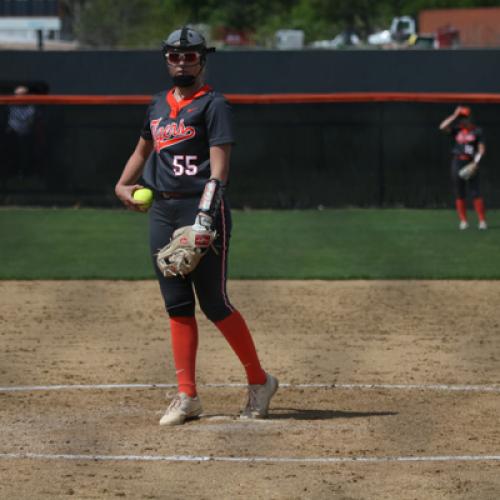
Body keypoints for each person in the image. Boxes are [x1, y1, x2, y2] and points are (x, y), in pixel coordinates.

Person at [115, 27, 278, 426]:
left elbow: (219, 170)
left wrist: (205, 217)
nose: (182, 62)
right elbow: (143, 149)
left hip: (202, 210)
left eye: (190, 56)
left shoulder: (215, 105)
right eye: (175, 55)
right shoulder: (156, 105)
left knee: (214, 303)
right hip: (162, 211)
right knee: (177, 305)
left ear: (203, 59)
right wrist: (122, 184)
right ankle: (187, 396)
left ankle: (260, 382)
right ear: (166, 58)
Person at [439, 106, 487, 230]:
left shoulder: (477, 131)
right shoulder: (457, 130)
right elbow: (442, 127)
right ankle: (464, 221)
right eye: (461, 118)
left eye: (464, 118)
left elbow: (481, 149)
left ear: (470, 118)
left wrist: (476, 163)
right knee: (460, 193)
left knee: (476, 192)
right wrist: (455, 115)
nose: (462, 120)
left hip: (471, 162)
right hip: (457, 162)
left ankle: (482, 221)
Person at [4, 85, 37, 179]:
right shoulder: (8, 106)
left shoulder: (31, 108)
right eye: (16, 95)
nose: (18, 97)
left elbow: (30, 123)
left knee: (25, 154)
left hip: (26, 136)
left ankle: (23, 173)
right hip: (10, 135)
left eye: (22, 94)